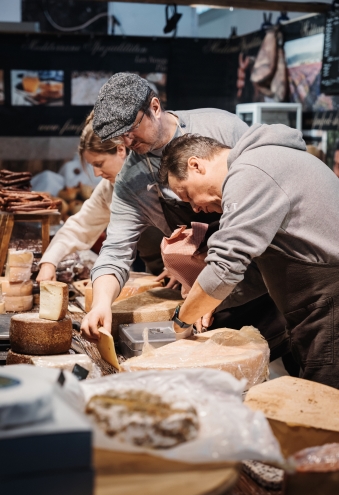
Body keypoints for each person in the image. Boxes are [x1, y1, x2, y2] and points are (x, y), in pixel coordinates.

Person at [81, 72, 287, 357]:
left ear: (154, 107)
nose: (127, 142)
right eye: (119, 136)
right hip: (211, 292)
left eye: (131, 128)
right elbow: (116, 250)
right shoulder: (131, 181)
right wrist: (102, 303)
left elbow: (272, 190)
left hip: (269, 274)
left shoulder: (221, 128)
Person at [157, 126, 339, 388]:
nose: (194, 207)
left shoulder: (250, 172)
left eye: (187, 194)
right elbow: (253, 269)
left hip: (330, 305)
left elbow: (224, 268)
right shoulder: (264, 162)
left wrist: (180, 321)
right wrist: (209, 302)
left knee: (326, 410)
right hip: (316, 307)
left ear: (196, 165)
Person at [37, 111, 164, 282]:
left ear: (121, 149)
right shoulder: (108, 189)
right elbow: (80, 226)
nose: (96, 173)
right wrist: (49, 262)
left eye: (99, 164)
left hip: (196, 272)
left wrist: (180, 263)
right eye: (92, 166)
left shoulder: (159, 174)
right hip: (158, 275)